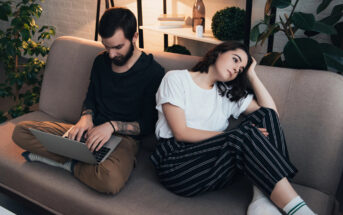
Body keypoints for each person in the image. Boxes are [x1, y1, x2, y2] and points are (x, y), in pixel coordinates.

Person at [150, 41, 316, 215]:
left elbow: (271, 115)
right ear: (218, 52)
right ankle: (301, 211)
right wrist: (233, 136)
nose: (236, 69)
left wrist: (252, 75)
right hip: (177, 165)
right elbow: (181, 133)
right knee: (242, 135)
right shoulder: (176, 78)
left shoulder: (227, 93)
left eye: (241, 69)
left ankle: (262, 198)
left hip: (213, 168)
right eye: (235, 60)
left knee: (264, 116)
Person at [12, 7, 165, 194]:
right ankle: (78, 157)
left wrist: (111, 126)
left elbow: (147, 124)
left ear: (134, 37)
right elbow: (91, 98)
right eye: (107, 47)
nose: (111, 54)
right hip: (87, 131)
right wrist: (86, 116)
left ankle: (67, 164)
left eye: (118, 47)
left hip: (124, 140)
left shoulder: (153, 72)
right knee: (21, 132)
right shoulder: (101, 62)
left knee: (110, 180)